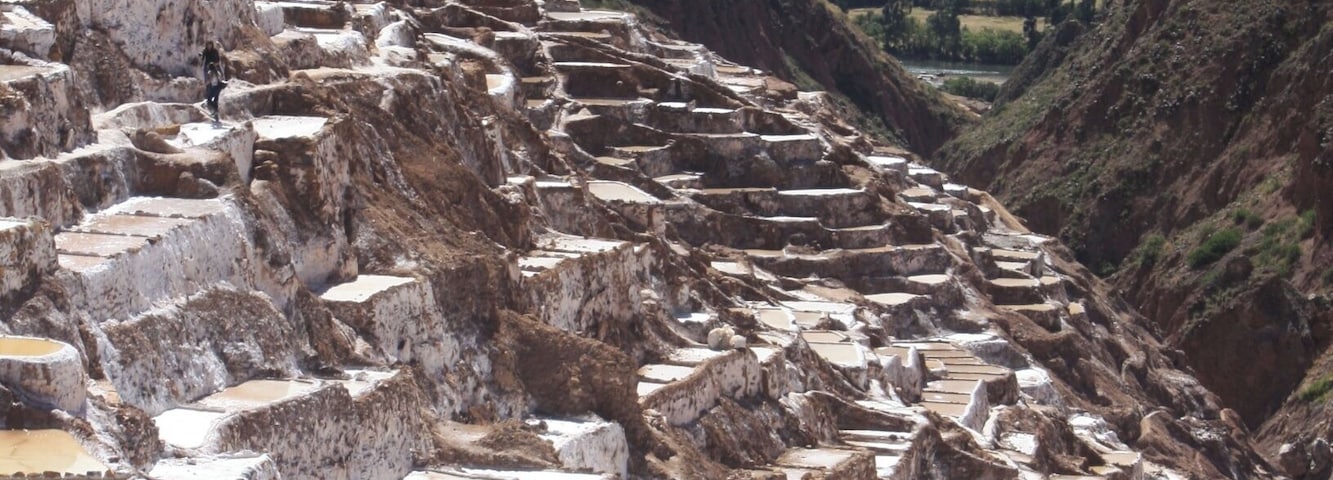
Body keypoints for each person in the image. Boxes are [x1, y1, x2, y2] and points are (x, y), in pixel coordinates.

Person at [200, 41, 228, 124]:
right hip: (216, 85)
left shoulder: (215, 52)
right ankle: (216, 116)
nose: (209, 47)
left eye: (210, 45)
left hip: (215, 83)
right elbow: (202, 55)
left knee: (211, 100)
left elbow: (218, 61)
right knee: (214, 100)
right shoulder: (205, 51)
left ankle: (215, 115)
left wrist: (213, 65)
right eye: (208, 45)